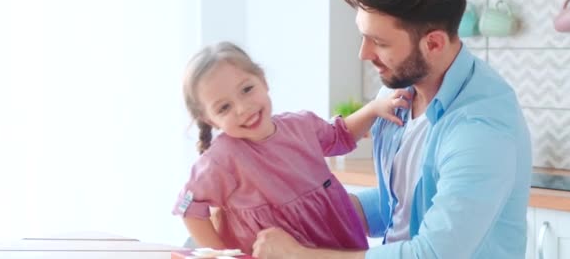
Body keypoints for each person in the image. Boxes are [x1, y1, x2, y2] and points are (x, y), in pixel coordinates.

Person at [251, 0, 532, 259]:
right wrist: (305, 213)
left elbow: (433, 255)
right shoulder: (399, 97)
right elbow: (398, 206)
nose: (364, 54)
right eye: (364, 37)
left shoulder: (481, 128)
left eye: (380, 43)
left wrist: (298, 255)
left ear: (434, 43)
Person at [172, 41, 411, 255]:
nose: (242, 109)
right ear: (210, 120)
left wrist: (372, 110)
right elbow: (189, 208)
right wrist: (221, 254)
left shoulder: (301, 125)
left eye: (247, 90)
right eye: (224, 107)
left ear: (263, 81)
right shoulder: (222, 159)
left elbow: (340, 134)